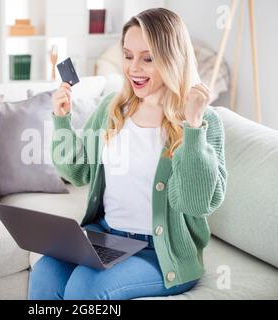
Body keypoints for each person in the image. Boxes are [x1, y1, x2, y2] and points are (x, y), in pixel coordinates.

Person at [29, 7, 227, 300]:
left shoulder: (204, 121)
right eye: (128, 55)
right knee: (46, 272)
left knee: (86, 286)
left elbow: (194, 203)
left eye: (148, 58)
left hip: (159, 252)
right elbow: (77, 172)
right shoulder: (113, 108)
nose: (134, 68)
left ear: (173, 59)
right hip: (106, 236)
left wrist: (193, 127)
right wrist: (62, 121)